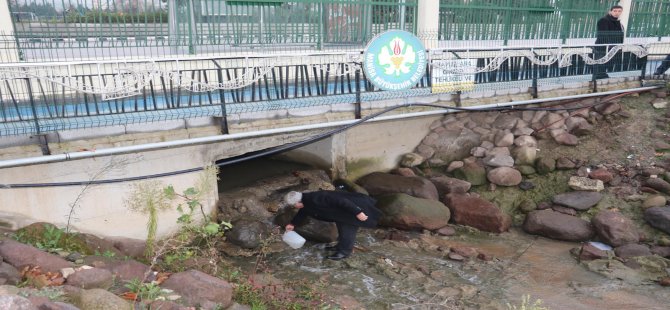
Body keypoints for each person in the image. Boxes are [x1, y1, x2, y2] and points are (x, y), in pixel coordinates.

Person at [284, 190, 382, 260]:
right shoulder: (306, 202)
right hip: (340, 213)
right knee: (342, 229)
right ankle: (340, 246)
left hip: (352, 209)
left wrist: (358, 212)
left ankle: (344, 252)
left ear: (298, 201)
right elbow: (302, 213)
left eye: (294, 205)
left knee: (347, 232)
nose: (294, 207)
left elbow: (341, 201)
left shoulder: (317, 197)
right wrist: (292, 224)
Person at [593, 5, 625, 80]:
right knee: (600, 63)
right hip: (602, 47)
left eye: (619, 11)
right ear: (610, 11)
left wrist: (618, 46)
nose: (617, 13)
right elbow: (603, 35)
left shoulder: (618, 22)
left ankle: (602, 76)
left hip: (612, 47)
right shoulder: (604, 20)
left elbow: (620, 35)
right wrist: (610, 46)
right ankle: (598, 79)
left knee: (606, 63)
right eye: (615, 11)